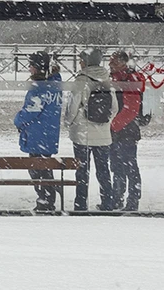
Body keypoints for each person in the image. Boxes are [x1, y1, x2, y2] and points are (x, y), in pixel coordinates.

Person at [63, 48, 119, 212]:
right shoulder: (107, 80)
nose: (79, 62)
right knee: (103, 171)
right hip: (103, 136)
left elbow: (72, 108)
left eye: (81, 60)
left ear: (86, 62)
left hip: (82, 135)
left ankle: (81, 204)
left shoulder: (81, 81)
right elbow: (114, 108)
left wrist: (70, 123)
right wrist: (105, 122)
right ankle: (107, 203)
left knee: (82, 172)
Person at [14, 51, 63, 213]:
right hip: (48, 134)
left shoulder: (39, 88)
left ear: (37, 68)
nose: (29, 69)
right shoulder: (55, 85)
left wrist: (18, 120)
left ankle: (45, 201)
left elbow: (31, 110)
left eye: (31, 66)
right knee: (45, 169)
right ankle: (48, 199)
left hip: (37, 136)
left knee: (37, 170)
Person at [109, 50, 144, 212]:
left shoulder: (130, 79)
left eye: (113, 62)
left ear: (123, 63)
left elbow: (131, 109)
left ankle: (132, 200)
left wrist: (113, 126)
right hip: (120, 130)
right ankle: (118, 198)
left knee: (129, 166)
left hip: (126, 130)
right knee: (117, 165)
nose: (110, 65)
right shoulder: (117, 79)